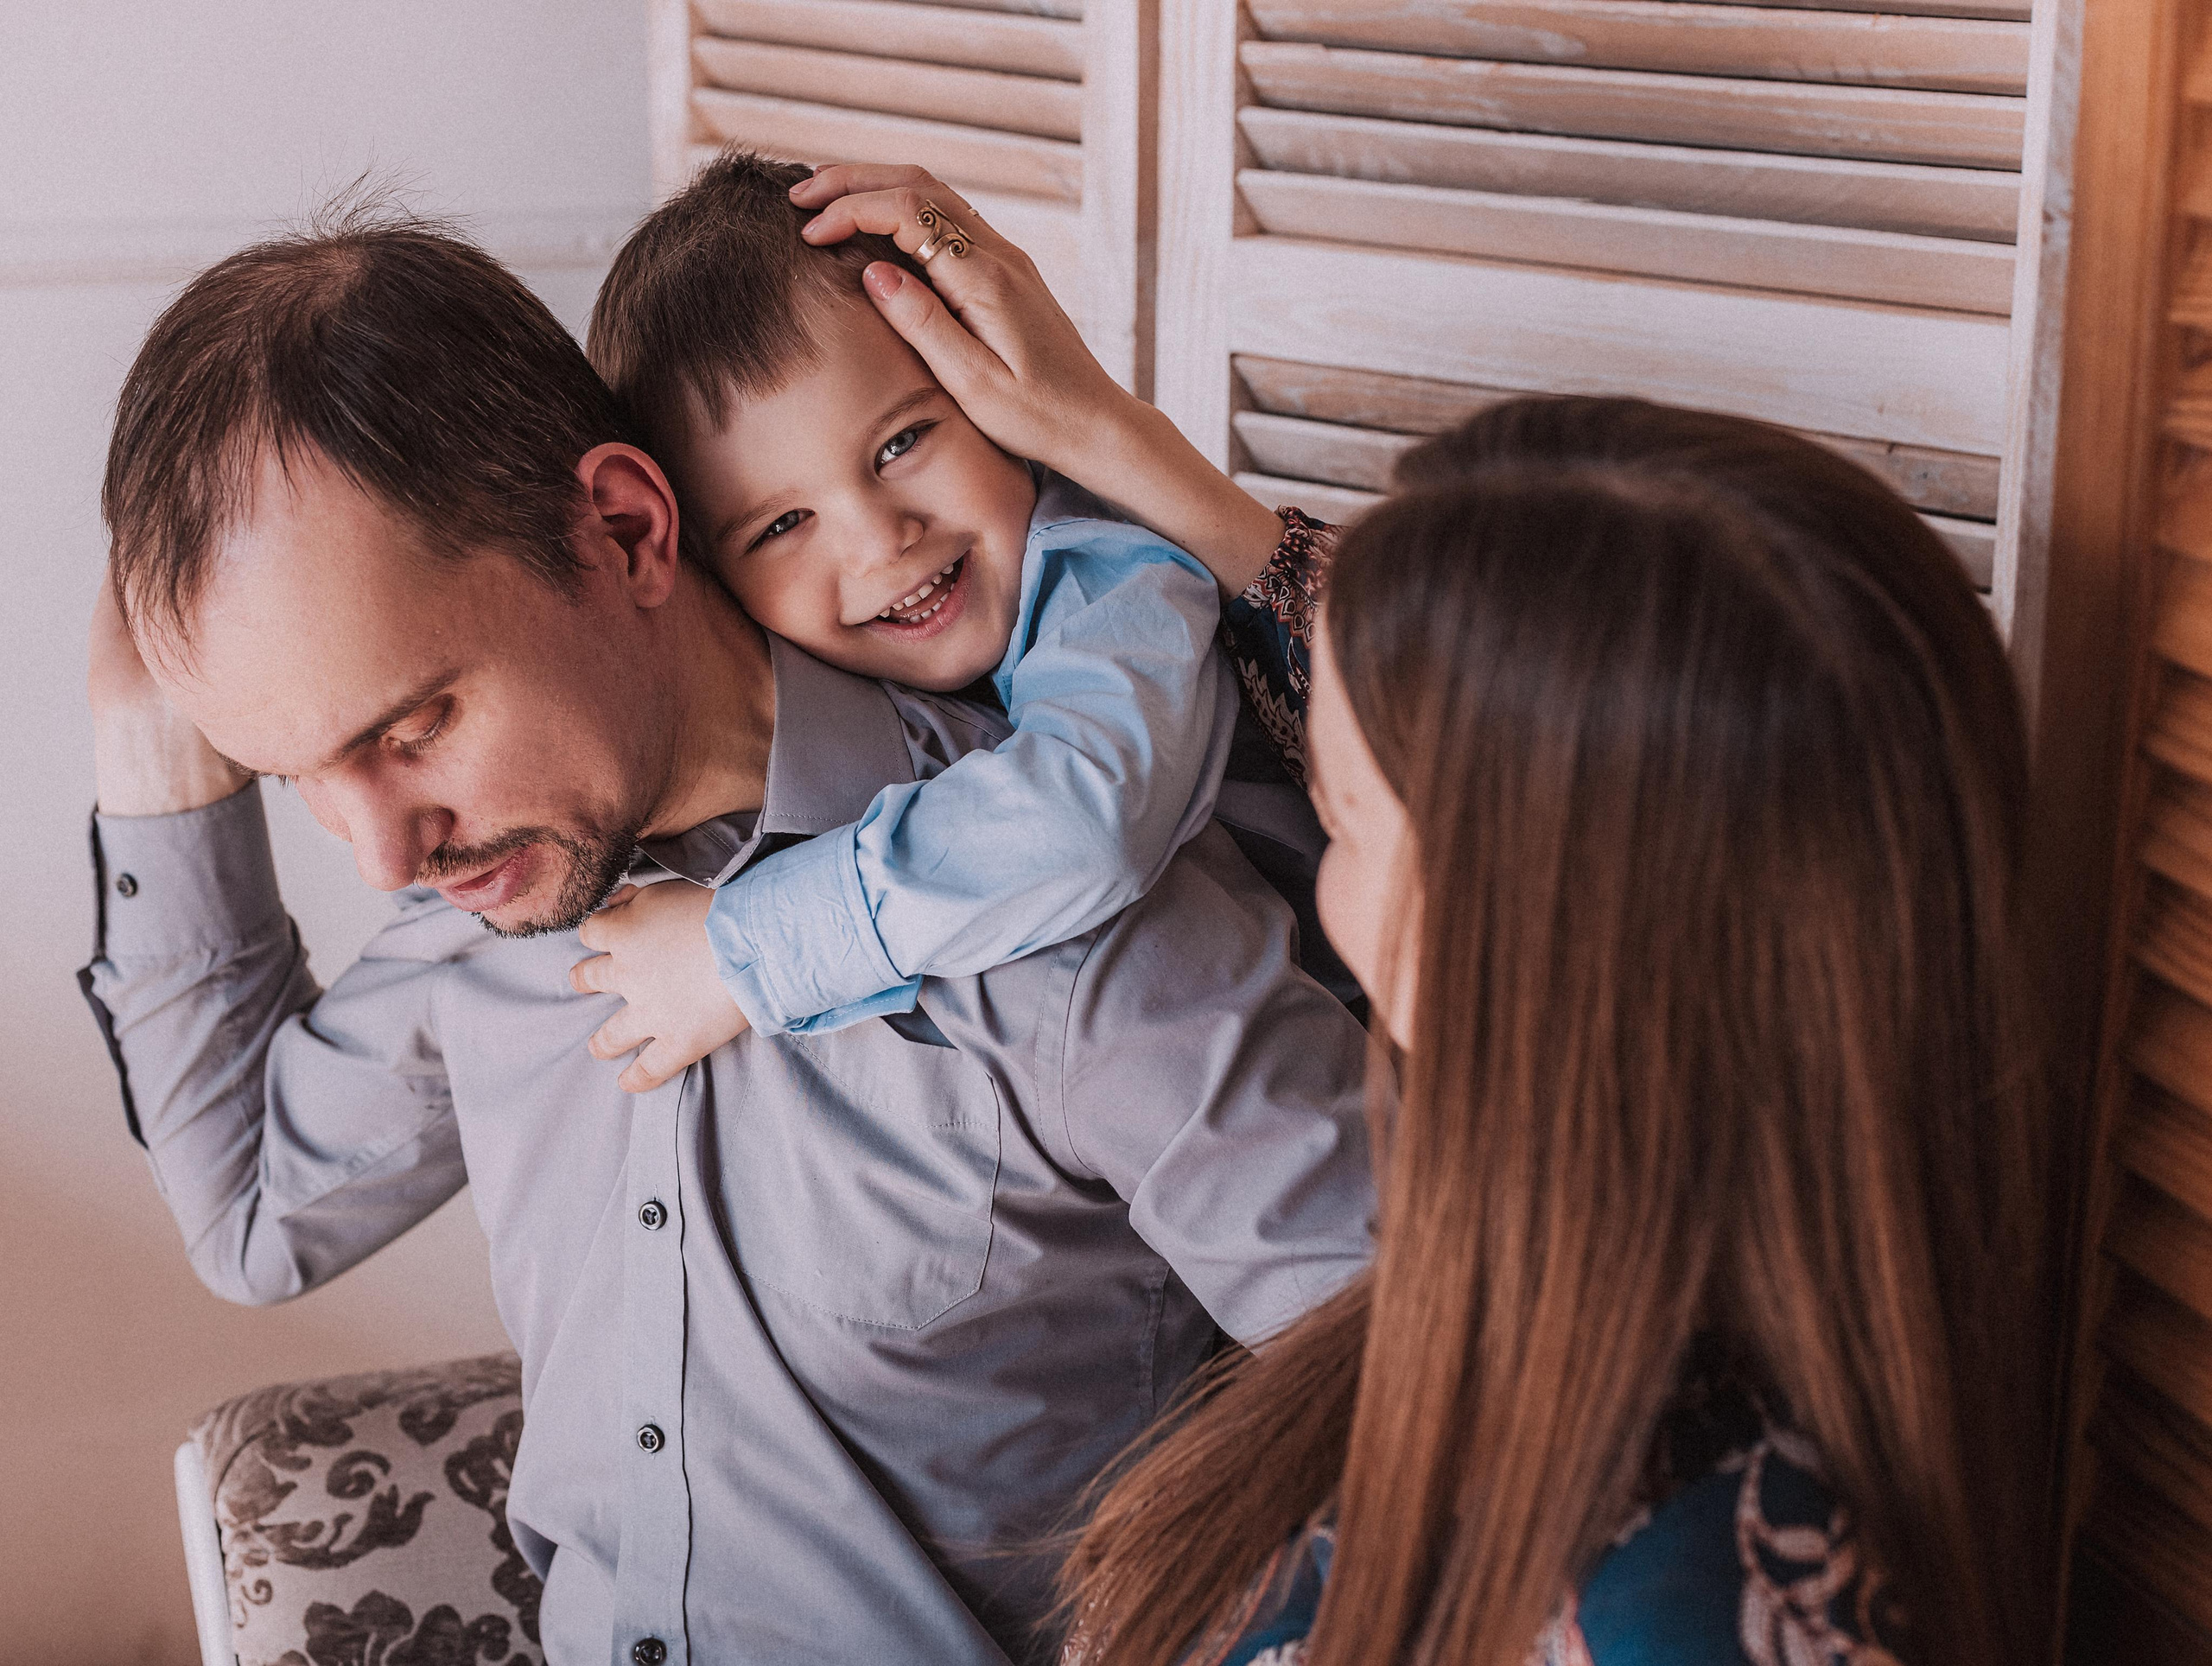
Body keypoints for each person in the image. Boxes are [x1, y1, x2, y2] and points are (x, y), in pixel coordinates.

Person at [774, 168, 2059, 1666]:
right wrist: (1098, 432)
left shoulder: (1699, 1602)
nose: (1310, 861)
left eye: (1343, 808)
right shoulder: (1499, 1349)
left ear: (1526, 930)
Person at [80, 203, 1374, 1666]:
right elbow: (253, 1211)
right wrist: (148, 745)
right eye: (301, 778)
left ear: (627, 532)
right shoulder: (492, 909)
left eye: (415, 726)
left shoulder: (1066, 920)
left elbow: (1431, 1392)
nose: (386, 857)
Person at [565, 149, 1276, 1086]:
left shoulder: (1117, 580)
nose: (879, 541)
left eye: (901, 442)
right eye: (782, 525)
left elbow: (1080, 825)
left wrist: (741, 952)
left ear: (990, 382)